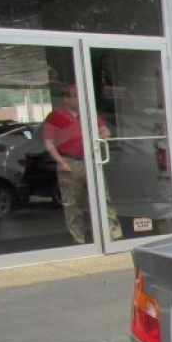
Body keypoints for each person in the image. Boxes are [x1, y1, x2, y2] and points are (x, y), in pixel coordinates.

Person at [43, 84, 122, 244]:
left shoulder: (88, 114)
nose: (80, 100)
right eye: (76, 96)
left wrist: (103, 133)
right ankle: (77, 238)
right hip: (70, 161)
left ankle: (113, 234)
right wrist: (61, 162)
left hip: (91, 159)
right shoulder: (55, 117)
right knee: (73, 202)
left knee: (103, 197)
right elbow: (49, 143)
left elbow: (105, 130)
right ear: (66, 98)